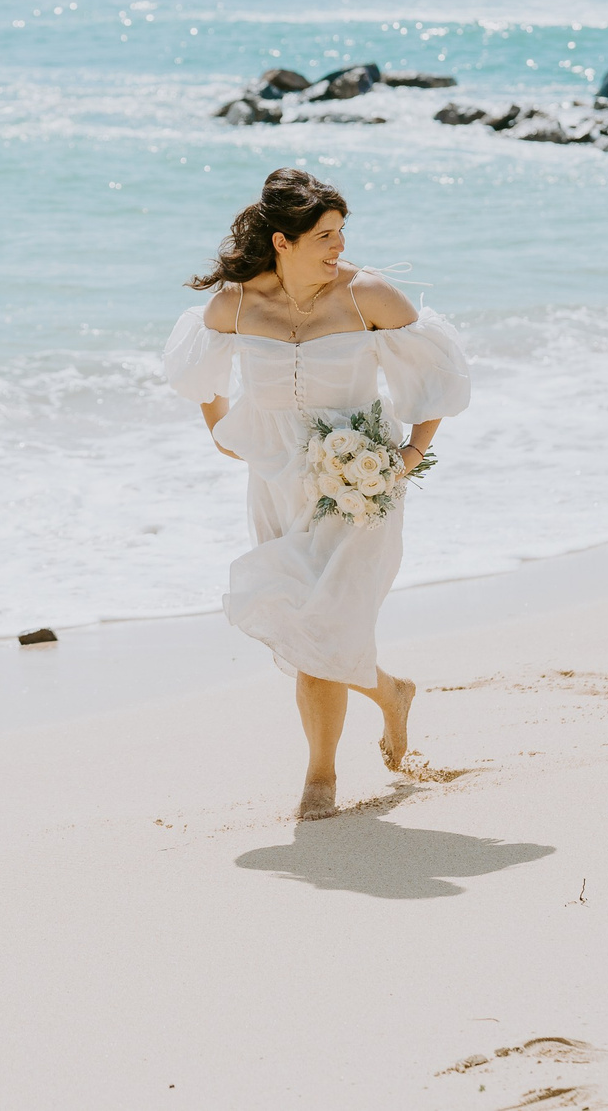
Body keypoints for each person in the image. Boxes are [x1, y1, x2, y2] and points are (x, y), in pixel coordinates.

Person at [163, 168, 471, 820]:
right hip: (279, 487)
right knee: (309, 627)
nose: (338, 247)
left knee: (324, 629)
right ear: (282, 241)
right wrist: (224, 430)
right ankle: (390, 693)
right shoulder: (238, 304)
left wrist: (408, 457)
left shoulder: (366, 296)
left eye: (340, 233)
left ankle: (321, 779)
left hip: (361, 490)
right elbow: (199, 373)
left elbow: (438, 379)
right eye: (324, 236)